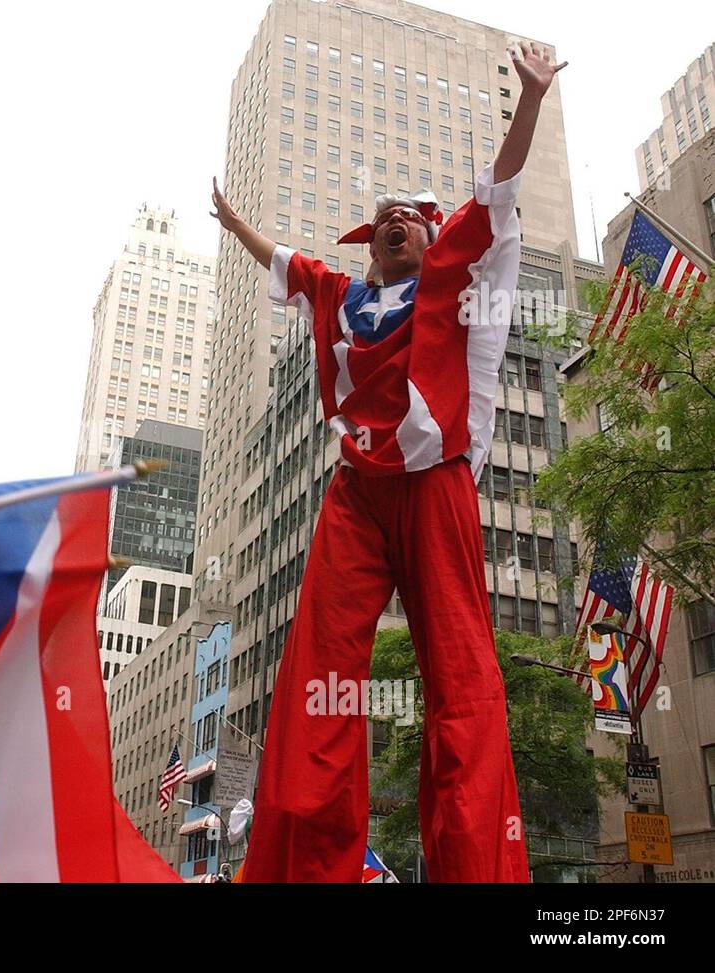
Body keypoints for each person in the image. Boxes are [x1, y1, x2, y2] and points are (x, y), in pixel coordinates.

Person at [212, 43, 567, 883]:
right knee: (319, 667)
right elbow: (284, 264)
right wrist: (234, 227)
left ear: (429, 237)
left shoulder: (450, 277)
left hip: (435, 487)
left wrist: (532, 102)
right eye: (384, 216)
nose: (395, 220)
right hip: (355, 496)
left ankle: (477, 867)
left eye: (410, 214)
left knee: (461, 676)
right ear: (368, 244)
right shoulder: (340, 295)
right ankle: (308, 867)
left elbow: (499, 189)